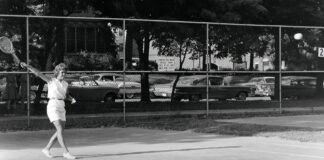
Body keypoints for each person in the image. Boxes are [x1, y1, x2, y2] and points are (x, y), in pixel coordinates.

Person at [20, 62, 77, 159]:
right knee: (59, 129)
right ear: (57, 72)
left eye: (65, 73)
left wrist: (71, 99)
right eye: (62, 72)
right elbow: (38, 73)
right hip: (53, 106)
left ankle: (47, 149)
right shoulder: (51, 80)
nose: (64, 74)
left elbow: (66, 95)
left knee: (60, 131)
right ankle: (66, 152)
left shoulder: (66, 84)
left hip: (61, 106)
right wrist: (28, 66)